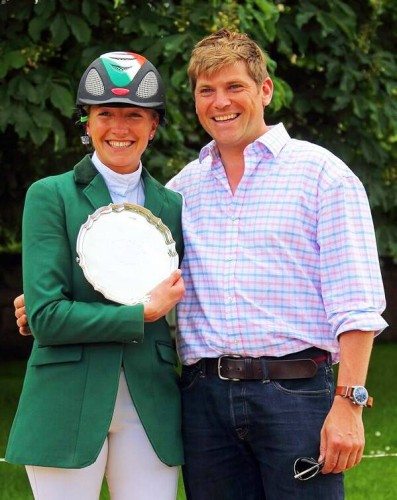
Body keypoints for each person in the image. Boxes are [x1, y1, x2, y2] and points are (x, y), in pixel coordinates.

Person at [14, 29, 388, 499]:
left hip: (295, 395)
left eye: (235, 87)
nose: (220, 102)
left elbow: (357, 304)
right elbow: (142, 275)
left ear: (265, 90)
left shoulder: (323, 176)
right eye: (206, 90)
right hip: (205, 400)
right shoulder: (181, 192)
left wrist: (349, 404)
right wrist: (46, 300)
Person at [6, 51, 185, 500]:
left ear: (154, 125)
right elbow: (46, 316)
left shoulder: (175, 206)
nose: (119, 128)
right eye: (105, 114)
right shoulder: (50, 196)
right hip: (65, 396)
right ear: (87, 122)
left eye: (134, 115)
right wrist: (140, 315)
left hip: (150, 399)